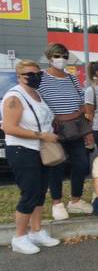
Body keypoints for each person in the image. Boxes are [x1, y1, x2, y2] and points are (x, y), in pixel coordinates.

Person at [1, 60, 61, 254]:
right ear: (19, 76)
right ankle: (19, 237)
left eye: (38, 74)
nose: (35, 77)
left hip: (40, 150)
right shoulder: (14, 97)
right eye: (30, 74)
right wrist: (42, 135)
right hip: (22, 150)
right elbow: (9, 127)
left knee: (40, 192)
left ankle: (36, 230)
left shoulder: (37, 94)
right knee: (29, 193)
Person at [38, 43, 92, 220]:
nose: (61, 59)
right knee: (57, 164)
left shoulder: (71, 78)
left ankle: (75, 200)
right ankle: (57, 202)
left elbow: (82, 101)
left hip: (75, 126)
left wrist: (82, 116)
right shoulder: (41, 78)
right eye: (57, 55)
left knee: (82, 163)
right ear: (49, 57)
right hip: (54, 128)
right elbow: (38, 103)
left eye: (64, 56)